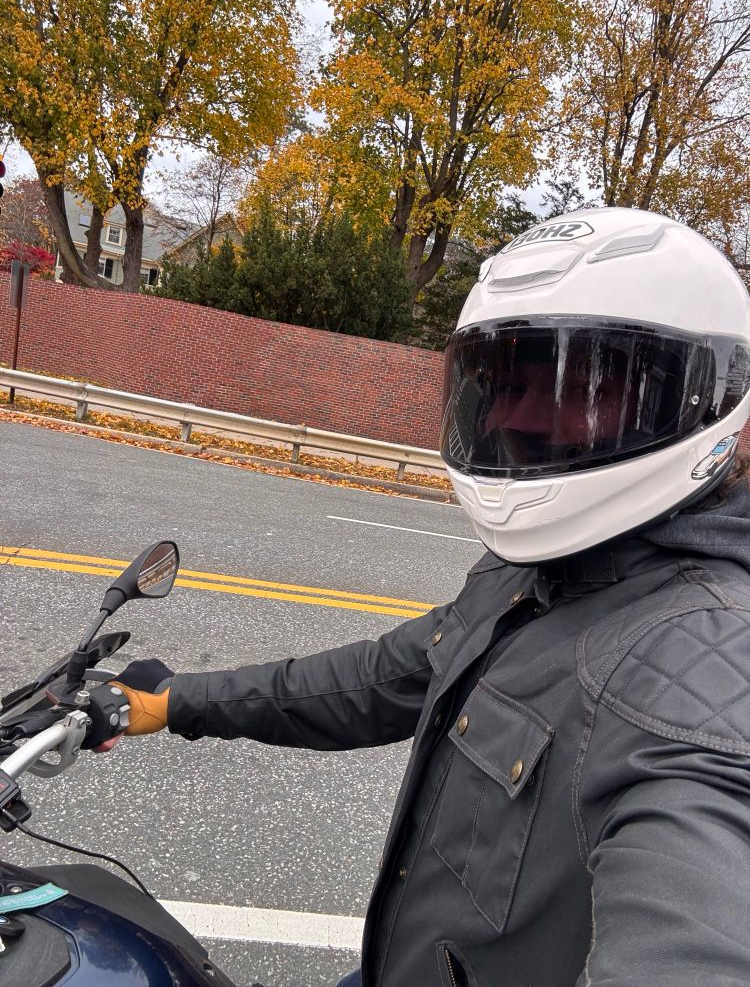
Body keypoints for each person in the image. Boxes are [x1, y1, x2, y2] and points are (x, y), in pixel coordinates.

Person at [105, 208, 750, 986]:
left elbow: (695, 924)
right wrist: (177, 702)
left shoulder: (702, 673)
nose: (514, 416)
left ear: (700, 396)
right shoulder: (538, 572)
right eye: (503, 383)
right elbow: (385, 674)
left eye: (573, 384)